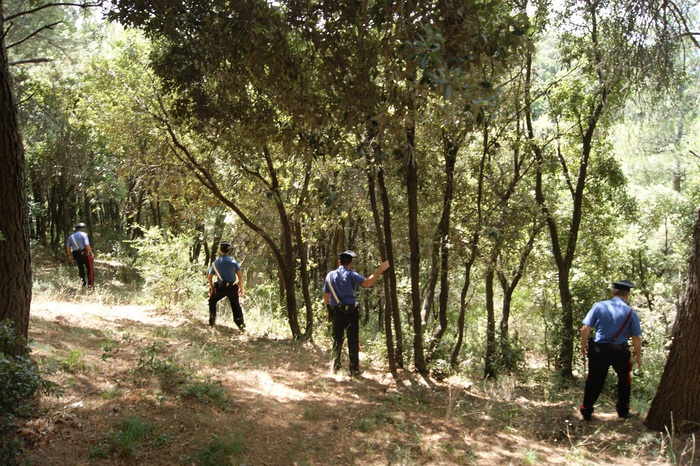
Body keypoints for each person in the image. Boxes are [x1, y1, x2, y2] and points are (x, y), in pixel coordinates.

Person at [580, 280, 642, 421]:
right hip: (619, 352)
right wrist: (638, 356)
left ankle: (586, 410)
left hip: (598, 351)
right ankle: (623, 411)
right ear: (627, 295)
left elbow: (585, 328)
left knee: (594, 380)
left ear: (613, 292)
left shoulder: (598, 306)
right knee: (624, 380)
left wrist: (584, 345)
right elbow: (636, 337)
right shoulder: (631, 312)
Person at [324, 250, 390, 376]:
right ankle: (354, 369)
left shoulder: (329, 276)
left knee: (337, 340)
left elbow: (326, 298)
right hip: (351, 313)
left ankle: (335, 367)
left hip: (336, 312)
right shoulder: (351, 274)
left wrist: (330, 309)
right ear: (350, 263)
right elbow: (367, 283)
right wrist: (380, 269)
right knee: (353, 341)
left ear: (339, 262)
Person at [208, 241, 245, 331]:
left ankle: (212, 322)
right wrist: (241, 288)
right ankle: (241, 325)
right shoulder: (234, 262)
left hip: (220, 288)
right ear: (229, 250)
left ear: (221, 250)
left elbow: (209, 277)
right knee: (236, 306)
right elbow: (240, 277)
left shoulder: (216, 263)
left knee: (212, 301)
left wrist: (212, 288)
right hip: (232, 288)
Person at [65, 222, 95, 287]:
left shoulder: (71, 237)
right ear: (82, 228)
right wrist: (91, 253)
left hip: (76, 254)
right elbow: (87, 245)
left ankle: (83, 283)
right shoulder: (84, 235)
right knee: (89, 269)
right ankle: (91, 285)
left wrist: (69, 256)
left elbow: (67, 247)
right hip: (85, 253)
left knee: (81, 269)